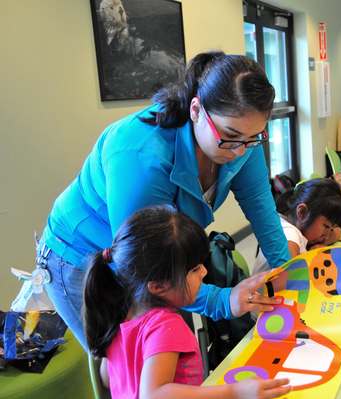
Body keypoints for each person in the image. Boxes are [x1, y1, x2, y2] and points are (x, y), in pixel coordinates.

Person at [35, 51, 291, 347]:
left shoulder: (241, 135)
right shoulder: (143, 156)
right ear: (196, 110)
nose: (240, 151)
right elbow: (144, 265)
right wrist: (222, 301)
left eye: (254, 138)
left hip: (155, 258)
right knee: (123, 366)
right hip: (82, 256)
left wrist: (288, 273)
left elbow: (261, 207)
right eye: (230, 136)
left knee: (172, 348)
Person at [83, 205, 291, 399]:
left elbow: (108, 378)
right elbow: (153, 394)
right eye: (194, 269)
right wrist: (235, 391)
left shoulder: (119, 316)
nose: (204, 271)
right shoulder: (165, 325)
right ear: (159, 286)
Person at [253, 178, 341, 275]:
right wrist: (315, 257)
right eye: (326, 226)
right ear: (302, 212)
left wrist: (318, 244)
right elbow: (295, 279)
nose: (327, 236)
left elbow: (338, 231)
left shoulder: (292, 221)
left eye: (330, 229)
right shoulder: (289, 235)